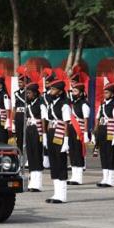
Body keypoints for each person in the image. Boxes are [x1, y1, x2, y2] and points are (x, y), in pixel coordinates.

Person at [44, 70, 70, 203]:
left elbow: (66, 124)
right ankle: (56, 193)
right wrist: (45, 137)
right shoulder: (51, 104)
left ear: (60, 91)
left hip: (60, 133)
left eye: (53, 89)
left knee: (60, 162)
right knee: (53, 162)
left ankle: (62, 195)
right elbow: (48, 121)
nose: (50, 91)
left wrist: (66, 141)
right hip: (51, 133)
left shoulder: (64, 104)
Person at [94, 73, 114, 188]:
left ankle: (111, 179)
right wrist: (96, 133)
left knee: (110, 155)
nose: (105, 95)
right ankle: (105, 178)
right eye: (104, 92)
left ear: (112, 94)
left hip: (110, 133)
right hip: (102, 132)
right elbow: (98, 120)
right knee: (103, 155)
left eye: (107, 92)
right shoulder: (102, 105)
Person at [68, 71, 91, 185]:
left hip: (80, 130)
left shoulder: (84, 104)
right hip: (72, 129)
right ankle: (73, 175)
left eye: (76, 91)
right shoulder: (73, 103)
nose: (73, 93)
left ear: (81, 93)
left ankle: (79, 177)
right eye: (73, 91)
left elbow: (86, 120)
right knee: (72, 152)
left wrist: (86, 133)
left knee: (78, 153)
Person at [25, 71, 46, 192]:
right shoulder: (28, 104)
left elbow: (43, 119)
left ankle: (38, 183)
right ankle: (32, 181)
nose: (27, 95)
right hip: (29, 129)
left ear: (35, 93)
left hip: (37, 130)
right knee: (30, 154)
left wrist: (44, 134)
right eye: (27, 93)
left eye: (29, 93)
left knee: (37, 155)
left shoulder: (40, 103)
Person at [14, 66, 27, 151]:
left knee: (25, 135)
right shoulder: (16, 93)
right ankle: (20, 153)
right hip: (18, 116)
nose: (19, 84)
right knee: (19, 135)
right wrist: (13, 119)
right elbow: (15, 107)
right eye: (19, 82)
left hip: (25, 115)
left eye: (21, 82)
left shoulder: (28, 92)